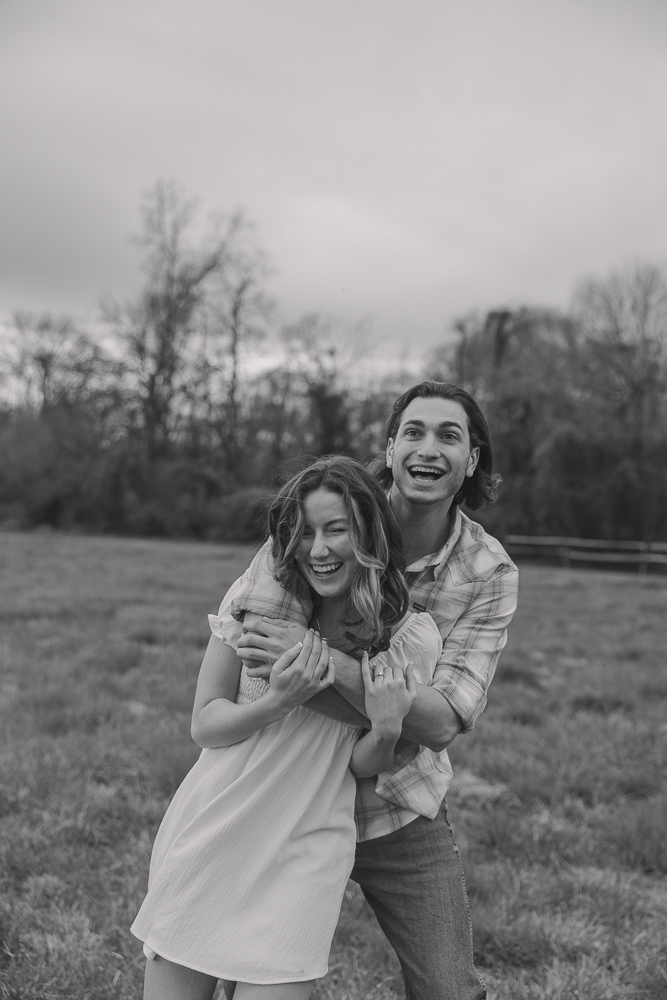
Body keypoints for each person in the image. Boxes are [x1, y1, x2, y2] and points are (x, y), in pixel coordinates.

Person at [232, 381, 520, 1000]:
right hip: (291, 785)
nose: (429, 447)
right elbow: (257, 650)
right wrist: (388, 709)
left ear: (472, 461)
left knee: (449, 989)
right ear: (390, 448)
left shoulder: (488, 572)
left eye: (450, 435)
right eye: (413, 431)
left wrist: (325, 665)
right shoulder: (325, 514)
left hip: (398, 799)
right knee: (247, 969)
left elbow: (442, 723)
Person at [131, 456, 443, 1000]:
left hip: (307, 843)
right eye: (305, 533)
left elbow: (357, 764)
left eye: (336, 530)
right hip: (218, 824)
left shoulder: (409, 637)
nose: (317, 550)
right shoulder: (256, 605)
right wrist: (275, 702)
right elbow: (205, 724)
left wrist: (388, 731)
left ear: (369, 532)